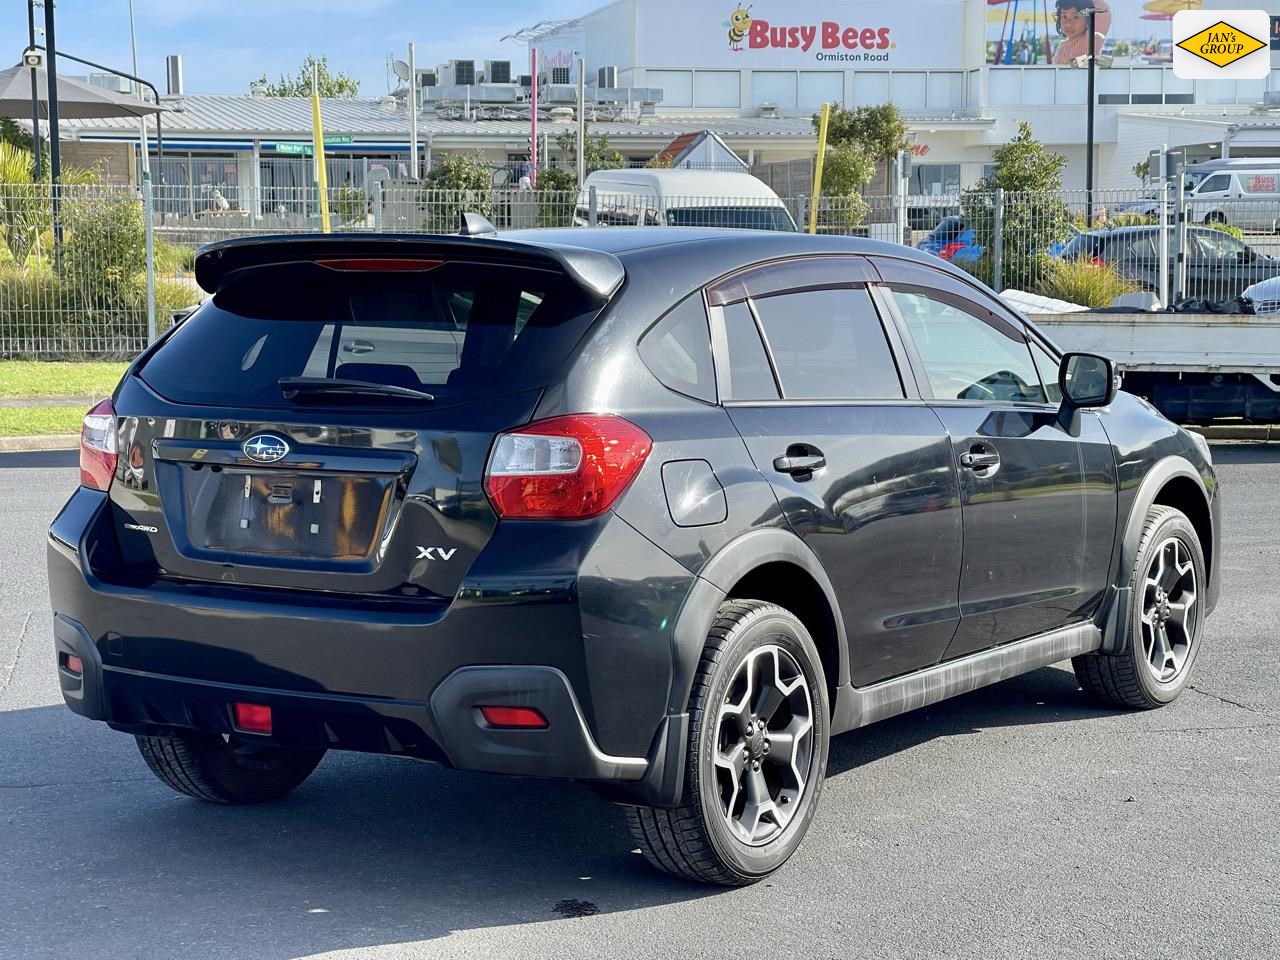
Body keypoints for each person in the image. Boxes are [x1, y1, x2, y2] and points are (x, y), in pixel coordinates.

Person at [1052, 0, 1111, 65]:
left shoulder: (1091, 39)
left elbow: (1103, 11)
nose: (1068, 24)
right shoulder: (1061, 48)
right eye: (1064, 17)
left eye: (1076, 17)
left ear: (1088, 19)